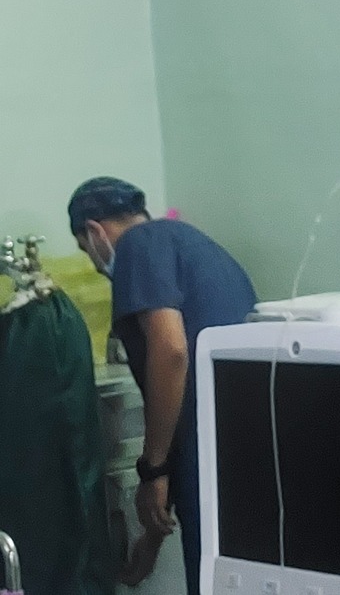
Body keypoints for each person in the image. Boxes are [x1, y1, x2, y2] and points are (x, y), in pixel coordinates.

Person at [69, 178, 256, 595]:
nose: (96, 265)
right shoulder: (192, 244)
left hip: (208, 454)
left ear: (95, 231)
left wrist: (152, 470)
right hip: (243, 451)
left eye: (86, 250)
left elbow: (171, 352)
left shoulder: (138, 246)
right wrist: (151, 538)